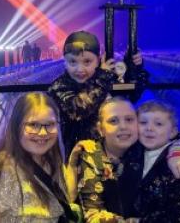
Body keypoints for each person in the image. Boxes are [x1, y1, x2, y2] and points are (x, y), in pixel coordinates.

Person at [66, 96, 180, 222]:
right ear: (100, 129)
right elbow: (93, 215)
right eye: (113, 121)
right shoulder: (91, 154)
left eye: (129, 119)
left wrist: (179, 151)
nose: (123, 126)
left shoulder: (142, 145)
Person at [0, 92, 79, 222]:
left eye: (49, 124)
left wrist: (71, 166)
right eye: (33, 125)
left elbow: (62, 203)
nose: (43, 133)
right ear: (17, 126)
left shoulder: (52, 162)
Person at [48, 31, 148, 159]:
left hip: (115, 157)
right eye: (73, 62)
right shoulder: (59, 86)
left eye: (87, 62)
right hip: (82, 161)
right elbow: (78, 109)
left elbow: (132, 96)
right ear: (65, 62)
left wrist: (133, 68)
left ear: (99, 61)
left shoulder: (104, 79)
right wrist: (103, 77)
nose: (80, 69)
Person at [132, 100, 180, 222]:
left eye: (158, 124)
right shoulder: (131, 156)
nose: (149, 128)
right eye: (143, 123)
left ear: (173, 132)